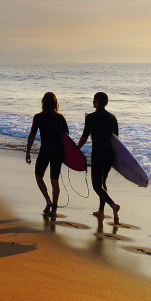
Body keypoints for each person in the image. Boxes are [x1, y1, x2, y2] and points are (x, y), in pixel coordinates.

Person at [76, 92, 120, 222]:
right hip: (109, 154)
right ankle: (101, 211)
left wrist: (76, 149)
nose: (92, 102)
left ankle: (113, 205)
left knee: (96, 186)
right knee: (103, 182)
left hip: (98, 154)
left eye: (93, 100)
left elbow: (84, 136)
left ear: (97, 102)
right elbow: (116, 139)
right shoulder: (112, 117)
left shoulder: (90, 118)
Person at [25, 92, 68, 218]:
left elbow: (32, 134)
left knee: (39, 176)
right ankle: (54, 210)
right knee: (55, 180)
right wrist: (67, 156)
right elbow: (66, 139)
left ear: (43, 103)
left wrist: (28, 151)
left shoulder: (38, 117)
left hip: (45, 151)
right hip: (57, 152)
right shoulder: (60, 118)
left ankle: (48, 200)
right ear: (55, 103)